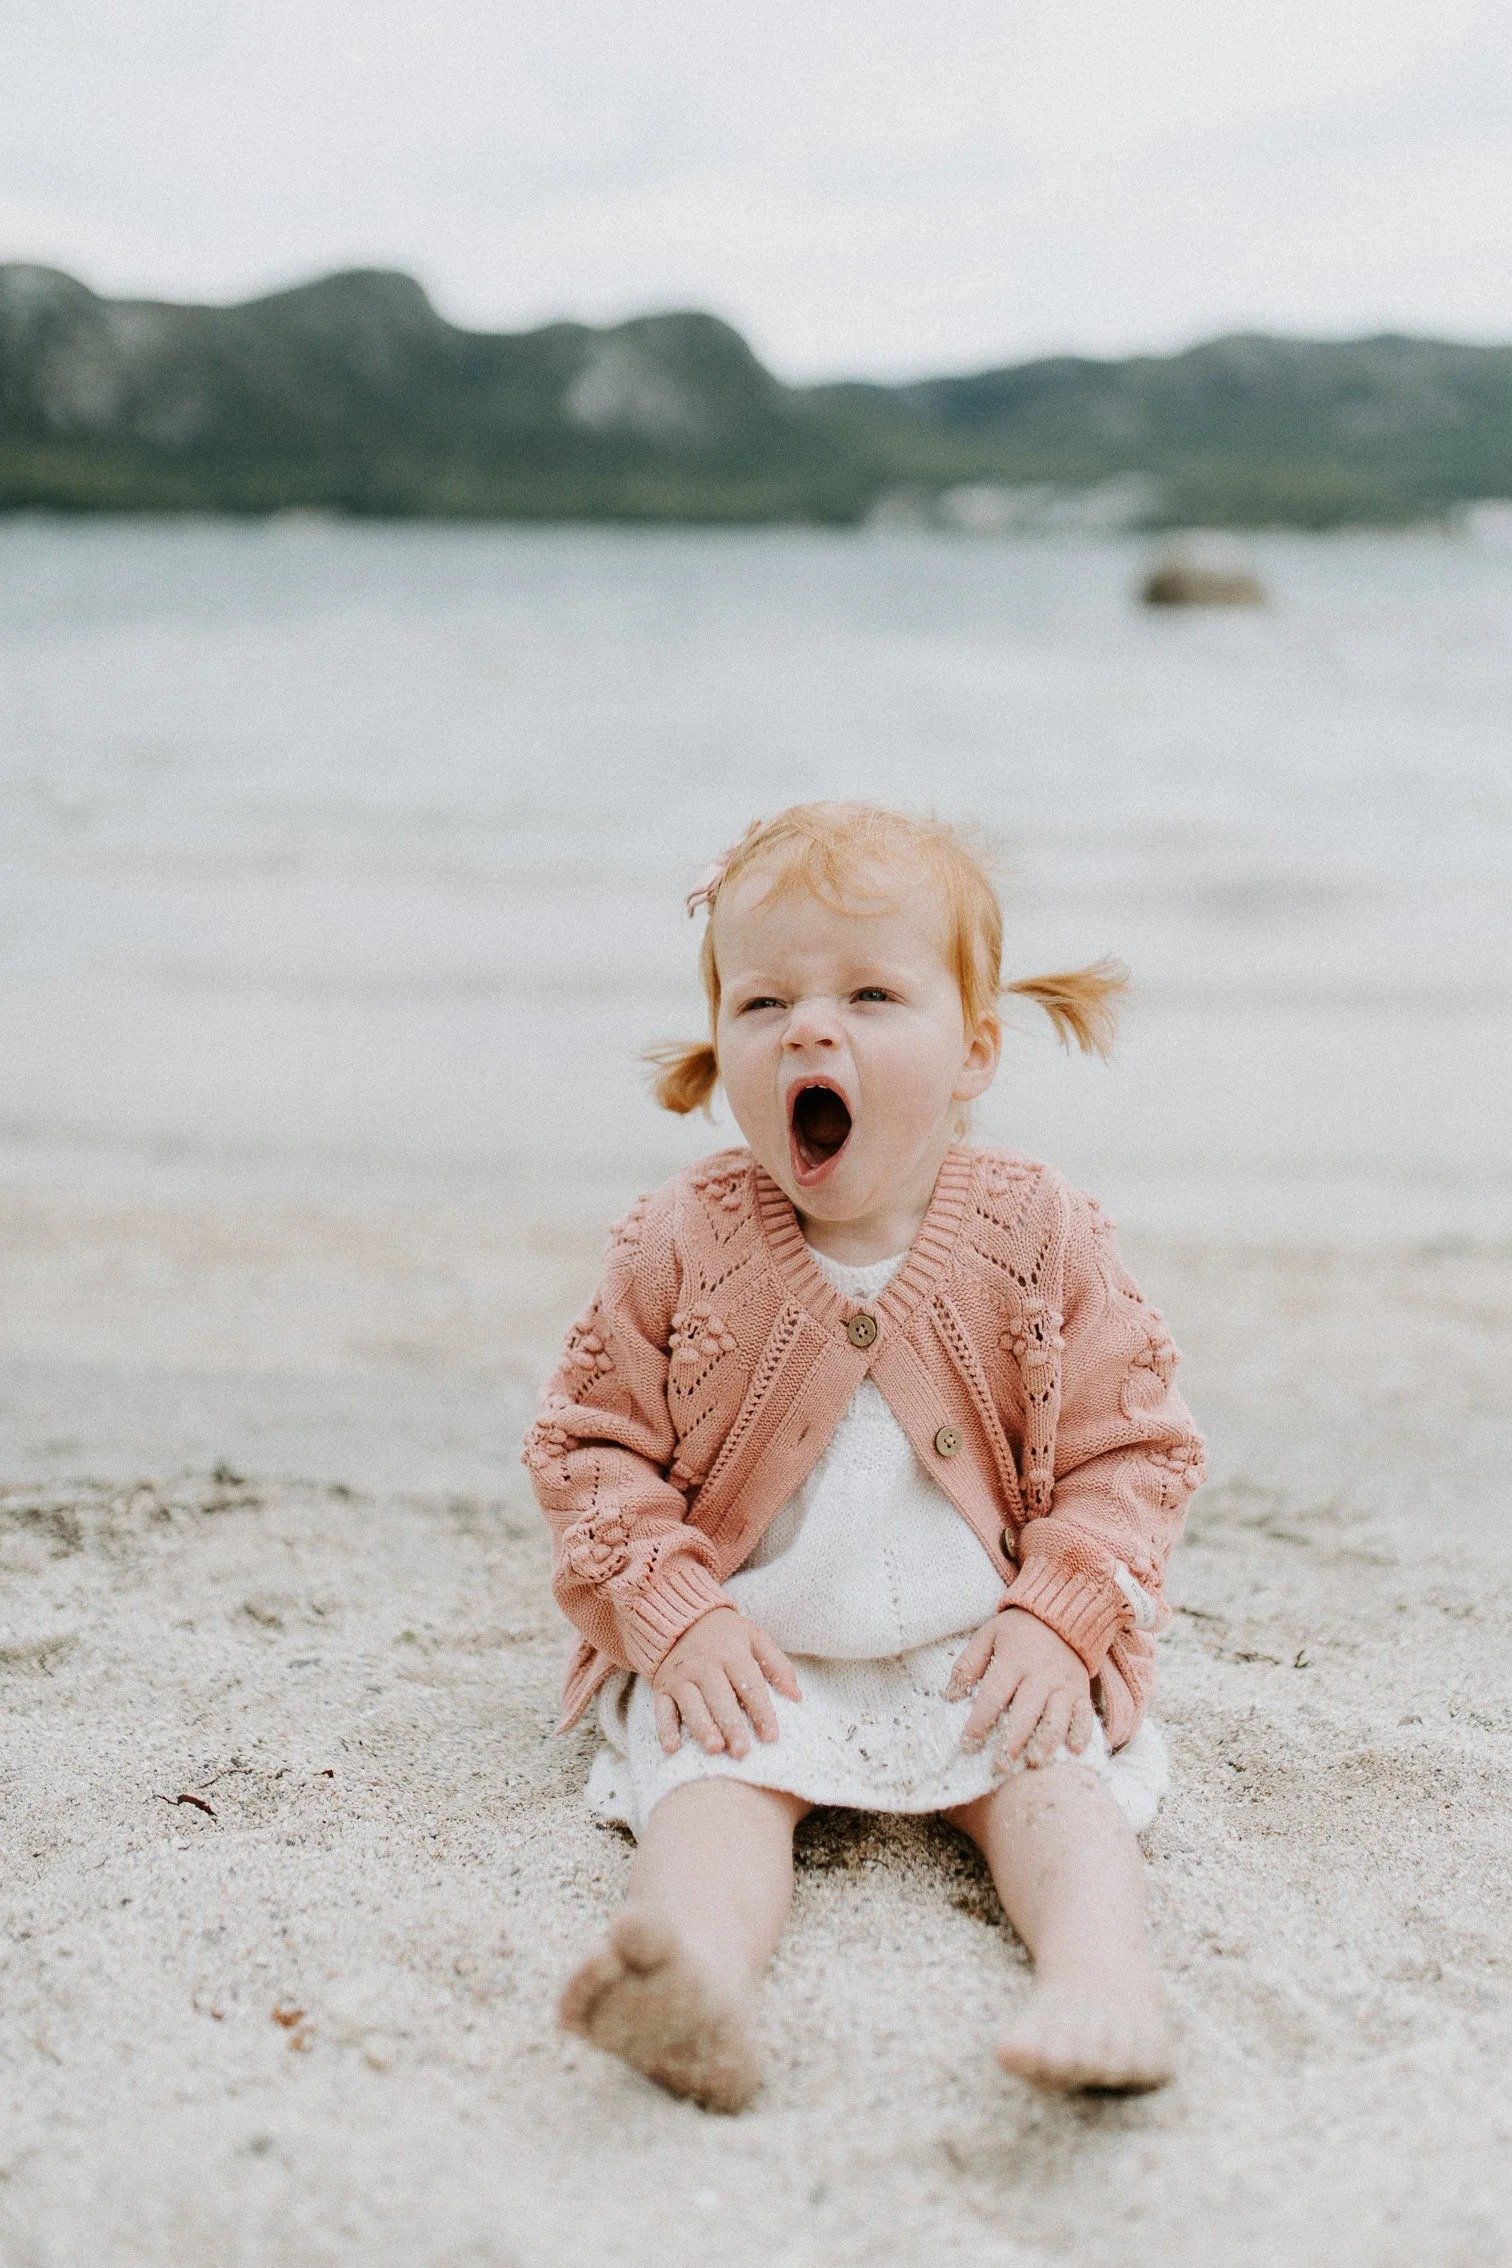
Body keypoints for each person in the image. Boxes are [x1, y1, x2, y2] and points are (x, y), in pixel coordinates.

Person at [524, 802, 1204, 2113]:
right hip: (755, 1641)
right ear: (720, 1043)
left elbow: (1136, 1450)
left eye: (873, 994)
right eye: (764, 999)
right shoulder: (675, 1239)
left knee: (1058, 1794)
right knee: (712, 1797)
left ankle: (1101, 1978)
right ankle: (697, 1982)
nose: (811, 1029)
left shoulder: (1041, 1229)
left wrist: (1064, 1618)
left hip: (981, 1640)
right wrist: (675, 1617)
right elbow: (588, 1451)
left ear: (975, 1050)